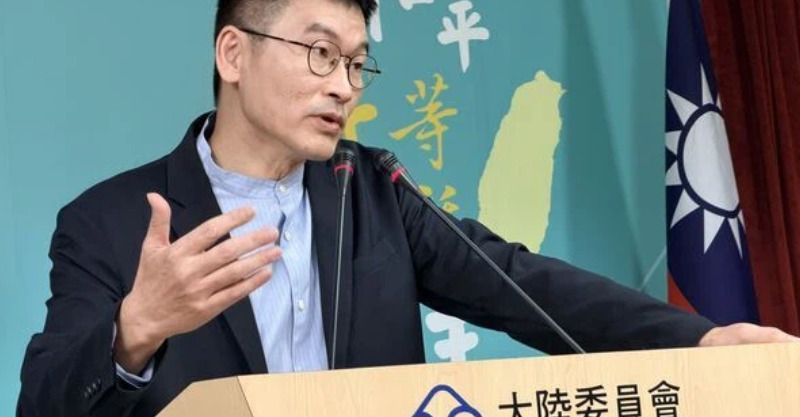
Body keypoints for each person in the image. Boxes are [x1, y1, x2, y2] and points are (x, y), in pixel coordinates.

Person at [16, 0, 797, 416]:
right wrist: (136, 328)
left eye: (357, 63)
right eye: (320, 53)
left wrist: (700, 339)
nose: (343, 85)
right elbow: (44, 401)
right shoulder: (108, 222)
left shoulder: (372, 190)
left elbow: (523, 284)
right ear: (233, 54)